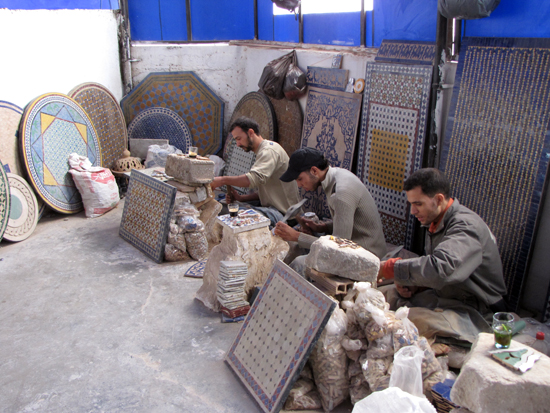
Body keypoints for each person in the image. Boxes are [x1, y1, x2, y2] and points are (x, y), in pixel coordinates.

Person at [378, 168, 507, 344]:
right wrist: (416, 286)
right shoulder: (435, 221)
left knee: (410, 322)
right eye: (411, 204)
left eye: (418, 204)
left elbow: (441, 268)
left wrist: (391, 268)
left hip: (475, 309)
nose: (413, 211)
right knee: (380, 297)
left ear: (438, 199)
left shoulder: (466, 227)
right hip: (447, 295)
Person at [274, 148, 387, 272]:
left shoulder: (342, 193)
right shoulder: (336, 176)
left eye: (300, 179)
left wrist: (296, 236)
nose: (299, 185)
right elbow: (349, 222)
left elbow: (337, 248)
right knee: (297, 247)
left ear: (314, 170)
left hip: (368, 256)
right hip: (352, 244)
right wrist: (323, 227)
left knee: (299, 264)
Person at [210, 117, 300, 225]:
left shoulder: (269, 151)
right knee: (222, 205)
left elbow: (253, 179)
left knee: (227, 213)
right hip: (273, 209)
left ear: (251, 132)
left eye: (239, 138)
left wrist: (222, 180)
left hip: (285, 216)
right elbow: (266, 192)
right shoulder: (261, 152)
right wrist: (241, 198)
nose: (238, 144)